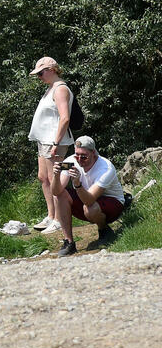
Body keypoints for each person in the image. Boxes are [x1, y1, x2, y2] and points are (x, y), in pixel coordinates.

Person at [51, 136, 125, 256]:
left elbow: (89, 200)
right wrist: (56, 175)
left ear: (93, 153)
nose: (79, 159)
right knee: (59, 196)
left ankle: (104, 229)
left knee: (89, 208)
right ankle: (69, 242)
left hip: (112, 204)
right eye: (77, 155)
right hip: (87, 199)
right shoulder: (71, 162)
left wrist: (77, 183)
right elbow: (56, 191)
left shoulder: (106, 168)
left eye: (84, 156)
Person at [27, 56, 73, 234]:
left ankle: (59, 219)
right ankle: (51, 215)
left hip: (54, 141)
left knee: (55, 180)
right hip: (44, 140)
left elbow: (65, 118)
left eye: (41, 73)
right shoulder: (50, 89)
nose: (39, 77)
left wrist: (56, 142)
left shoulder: (60, 89)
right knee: (43, 177)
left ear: (52, 70)